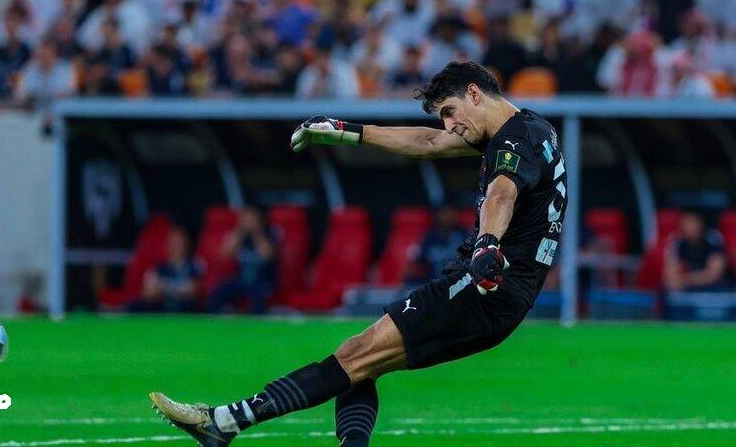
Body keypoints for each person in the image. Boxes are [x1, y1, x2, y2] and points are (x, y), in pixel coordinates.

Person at [151, 61, 568, 446]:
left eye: (449, 111)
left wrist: (487, 244)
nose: (449, 125)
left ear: (474, 93)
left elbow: (501, 194)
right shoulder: (531, 130)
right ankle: (231, 424)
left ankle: (224, 421)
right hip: (500, 291)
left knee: (354, 358)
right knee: (356, 365)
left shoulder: (513, 141)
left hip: (485, 286)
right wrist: (346, 130)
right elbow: (429, 141)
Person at [207, 207, 276, 315]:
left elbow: (268, 254)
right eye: (245, 219)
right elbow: (225, 253)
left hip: (262, 280)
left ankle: (257, 322)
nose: (248, 222)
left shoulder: (269, 234)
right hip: (241, 279)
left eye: (251, 219)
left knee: (258, 296)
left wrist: (256, 232)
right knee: (216, 294)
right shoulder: (239, 236)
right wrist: (241, 232)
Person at [127, 229, 203, 313]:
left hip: (185, 309)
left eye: (179, 244)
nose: (175, 247)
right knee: (134, 306)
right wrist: (179, 288)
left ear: (186, 246)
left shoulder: (194, 265)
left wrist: (163, 288)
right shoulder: (158, 267)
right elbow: (148, 292)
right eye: (172, 243)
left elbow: (193, 290)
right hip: (161, 307)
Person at [664, 212, 730, 292]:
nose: (690, 231)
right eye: (686, 227)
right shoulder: (677, 242)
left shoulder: (713, 240)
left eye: (694, 227)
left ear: (701, 227)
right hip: (687, 289)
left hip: (714, 288)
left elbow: (714, 274)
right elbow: (671, 277)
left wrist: (685, 279)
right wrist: (676, 282)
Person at [406, 206, 469, 284]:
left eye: (450, 212)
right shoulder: (427, 238)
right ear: (436, 215)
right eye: (443, 213)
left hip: (460, 284)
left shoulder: (464, 236)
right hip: (433, 284)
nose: (447, 216)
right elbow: (414, 265)